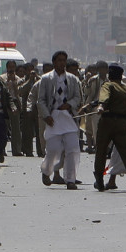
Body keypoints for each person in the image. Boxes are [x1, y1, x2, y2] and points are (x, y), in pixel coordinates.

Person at [37, 50, 83, 190]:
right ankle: (46, 171)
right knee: (53, 149)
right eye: (59, 60)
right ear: (54, 62)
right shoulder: (46, 79)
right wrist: (46, 116)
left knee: (73, 149)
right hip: (53, 118)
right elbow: (41, 100)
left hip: (68, 118)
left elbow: (77, 97)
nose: (62, 63)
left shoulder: (73, 79)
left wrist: (69, 105)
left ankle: (70, 179)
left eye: (64, 60)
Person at [92, 64, 126, 193]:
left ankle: (100, 181)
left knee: (101, 151)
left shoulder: (108, 85)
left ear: (109, 74)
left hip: (107, 121)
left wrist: (101, 106)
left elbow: (104, 97)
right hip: (122, 122)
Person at [2, 59, 23, 156]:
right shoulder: (2, 78)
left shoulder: (19, 79)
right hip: (4, 103)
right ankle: (2, 149)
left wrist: (14, 84)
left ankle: (16, 150)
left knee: (16, 128)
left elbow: (19, 92)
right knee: (3, 127)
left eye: (13, 67)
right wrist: (7, 82)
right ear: (7, 68)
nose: (11, 69)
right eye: (9, 67)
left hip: (15, 103)